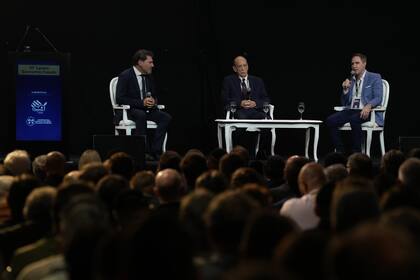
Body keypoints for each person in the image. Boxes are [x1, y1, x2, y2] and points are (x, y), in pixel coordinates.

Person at [116, 49, 172, 160]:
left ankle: (156, 151)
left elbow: (154, 95)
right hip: (130, 111)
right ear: (140, 62)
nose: (153, 65)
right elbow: (120, 98)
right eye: (150, 62)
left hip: (146, 110)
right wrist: (141, 102)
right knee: (141, 115)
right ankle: (142, 151)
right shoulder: (126, 75)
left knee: (165, 117)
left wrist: (153, 101)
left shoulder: (148, 76)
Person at [326, 53, 383, 154]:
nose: (354, 66)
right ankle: (340, 150)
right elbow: (344, 102)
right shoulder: (351, 79)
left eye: (357, 63)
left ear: (364, 64)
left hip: (368, 111)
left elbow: (378, 97)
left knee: (354, 119)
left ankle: (356, 152)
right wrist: (345, 90)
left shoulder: (374, 77)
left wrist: (368, 106)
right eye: (352, 64)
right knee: (330, 120)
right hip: (351, 110)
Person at [221, 55, 270, 158]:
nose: (243, 69)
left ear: (248, 66)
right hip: (239, 111)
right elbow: (225, 100)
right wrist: (240, 103)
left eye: (245, 65)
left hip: (255, 112)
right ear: (235, 69)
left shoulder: (257, 81)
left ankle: (260, 153)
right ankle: (240, 154)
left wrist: (255, 103)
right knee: (241, 122)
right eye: (239, 66)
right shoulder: (228, 80)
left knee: (266, 123)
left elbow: (266, 100)